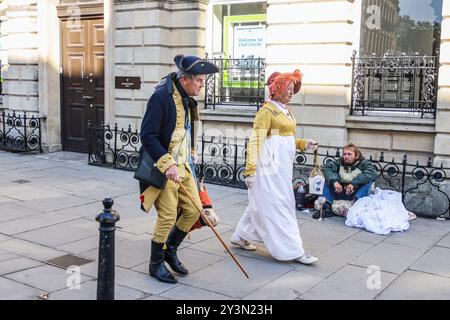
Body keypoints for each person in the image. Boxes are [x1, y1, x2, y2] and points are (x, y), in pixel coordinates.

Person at [139, 54, 218, 284]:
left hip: (184, 166)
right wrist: (167, 163)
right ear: (185, 79)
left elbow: (183, 130)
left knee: (194, 211)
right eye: (200, 81)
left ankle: (170, 251)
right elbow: (147, 136)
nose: (202, 86)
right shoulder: (161, 97)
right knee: (167, 215)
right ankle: (155, 264)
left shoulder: (186, 97)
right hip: (163, 168)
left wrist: (191, 152)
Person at [230, 69, 319, 265]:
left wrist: (303, 144)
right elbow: (255, 141)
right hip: (269, 167)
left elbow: (284, 138)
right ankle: (293, 250)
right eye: (288, 88)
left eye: (293, 88)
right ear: (277, 89)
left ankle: (240, 236)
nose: (291, 92)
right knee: (280, 204)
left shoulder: (284, 110)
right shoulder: (267, 111)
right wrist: (250, 171)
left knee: (262, 202)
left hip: (281, 167)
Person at [317, 143, 378, 218]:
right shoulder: (338, 162)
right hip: (340, 191)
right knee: (328, 180)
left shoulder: (363, 163)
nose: (346, 156)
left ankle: (356, 206)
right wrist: (335, 181)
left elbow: (372, 173)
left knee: (368, 182)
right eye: (345, 154)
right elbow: (327, 169)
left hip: (355, 193)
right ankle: (326, 207)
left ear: (356, 156)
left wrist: (353, 183)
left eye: (349, 154)